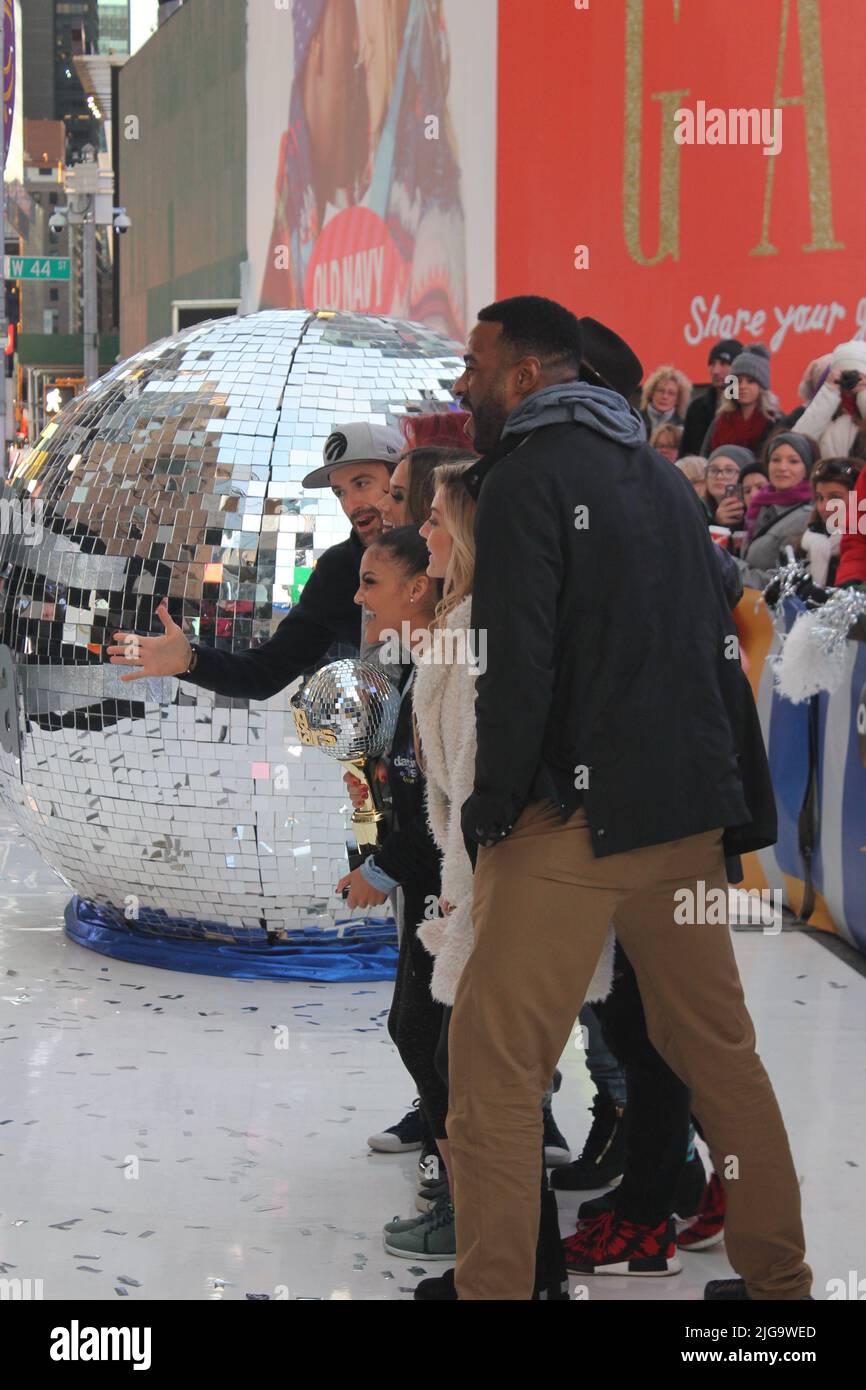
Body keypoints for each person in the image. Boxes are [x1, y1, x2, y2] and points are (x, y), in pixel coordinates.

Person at [448, 293, 810, 1302]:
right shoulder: (656, 474)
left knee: (493, 1073)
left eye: (474, 365)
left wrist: (491, 802)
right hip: (683, 817)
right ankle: (780, 1290)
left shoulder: (522, 478)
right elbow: (710, 637)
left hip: (568, 818)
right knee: (720, 1058)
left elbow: (514, 659)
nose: (462, 384)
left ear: (525, 375)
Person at [335, 525, 459, 1259]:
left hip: (456, 886)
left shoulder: (450, 663)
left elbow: (446, 797)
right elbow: (380, 774)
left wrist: (383, 867)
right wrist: (374, 854)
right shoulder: (397, 661)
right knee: (417, 1033)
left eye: (371, 582)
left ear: (418, 587)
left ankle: (467, 1197)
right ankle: (454, 1184)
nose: (357, 596)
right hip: (423, 877)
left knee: (438, 1043)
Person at [734, 431, 818, 589]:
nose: (782, 467)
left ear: (806, 469)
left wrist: (729, 565)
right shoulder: (760, 504)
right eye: (776, 460)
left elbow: (783, 582)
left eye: (793, 461)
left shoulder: (807, 516)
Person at [797, 456, 863, 588]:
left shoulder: (860, 557)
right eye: (819, 497)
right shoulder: (802, 547)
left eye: (835, 498)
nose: (823, 507)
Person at [702, 346, 779, 456]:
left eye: (750, 381)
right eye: (737, 380)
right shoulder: (720, 420)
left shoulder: (774, 421)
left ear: (762, 387)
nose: (742, 386)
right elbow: (704, 457)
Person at [795, 341, 866, 458]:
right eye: (845, 375)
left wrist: (864, 395)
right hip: (828, 473)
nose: (850, 380)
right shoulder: (826, 405)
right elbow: (797, 444)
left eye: (857, 375)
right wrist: (829, 391)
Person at [678, 338, 743, 457]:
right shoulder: (696, 408)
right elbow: (685, 452)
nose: (716, 371)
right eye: (712, 364)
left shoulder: (747, 407)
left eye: (723, 364)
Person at [703, 445, 755, 533]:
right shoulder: (699, 510)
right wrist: (716, 524)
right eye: (713, 470)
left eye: (729, 471)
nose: (719, 476)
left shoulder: (755, 514)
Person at [639, 365, 690, 437]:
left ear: (678, 399)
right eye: (660, 391)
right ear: (651, 393)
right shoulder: (635, 420)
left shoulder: (684, 427)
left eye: (671, 393)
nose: (665, 396)